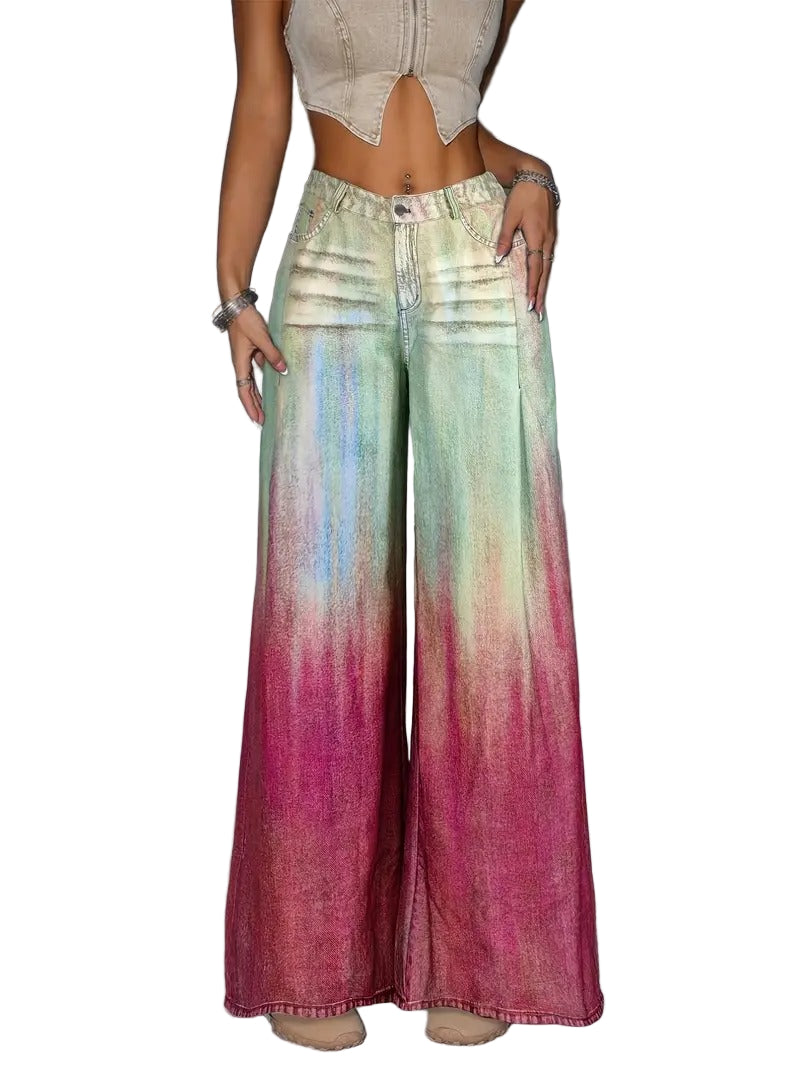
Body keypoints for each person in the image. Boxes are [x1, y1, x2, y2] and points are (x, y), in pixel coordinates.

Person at [214, 0, 603, 1051]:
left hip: (478, 257)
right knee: (319, 616)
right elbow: (263, 101)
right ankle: (308, 959)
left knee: (495, 614)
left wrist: (534, 175)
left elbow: (457, 116)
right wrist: (233, 293)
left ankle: (487, 957)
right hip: (330, 260)